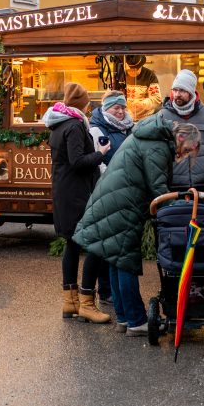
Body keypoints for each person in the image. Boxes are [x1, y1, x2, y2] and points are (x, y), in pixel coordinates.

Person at [74, 117, 200, 335]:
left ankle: (124, 318)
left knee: (116, 261)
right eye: (187, 149)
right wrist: (180, 210)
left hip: (114, 201)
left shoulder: (151, 137)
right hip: (123, 205)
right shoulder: (158, 146)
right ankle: (136, 320)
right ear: (180, 137)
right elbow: (158, 188)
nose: (185, 154)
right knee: (126, 262)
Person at [42, 82, 110, 323]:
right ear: (81, 104)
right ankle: (87, 303)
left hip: (66, 192)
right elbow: (78, 161)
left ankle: (70, 303)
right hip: (76, 194)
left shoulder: (60, 124)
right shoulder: (74, 125)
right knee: (96, 244)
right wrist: (100, 153)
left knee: (72, 245)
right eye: (88, 104)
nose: (89, 108)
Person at [88, 90, 134, 306]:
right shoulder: (97, 129)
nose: (121, 111)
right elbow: (97, 161)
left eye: (123, 107)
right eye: (117, 107)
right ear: (106, 108)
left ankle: (112, 291)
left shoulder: (129, 127)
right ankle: (105, 290)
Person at [159, 69, 204, 189]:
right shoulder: (162, 116)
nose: (177, 94)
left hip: (202, 183)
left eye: (182, 90)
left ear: (191, 91)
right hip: (172, 184)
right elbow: (155, 148)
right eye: (175, 90)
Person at [123, 55, 162, 120]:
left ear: (141, 66)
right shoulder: (122, 75)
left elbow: (156, 99)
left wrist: (141, 104)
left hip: (146, 118)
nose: (133, 71)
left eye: (136, 69)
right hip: (126, 117)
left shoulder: (149, 75)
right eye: (131, 69)